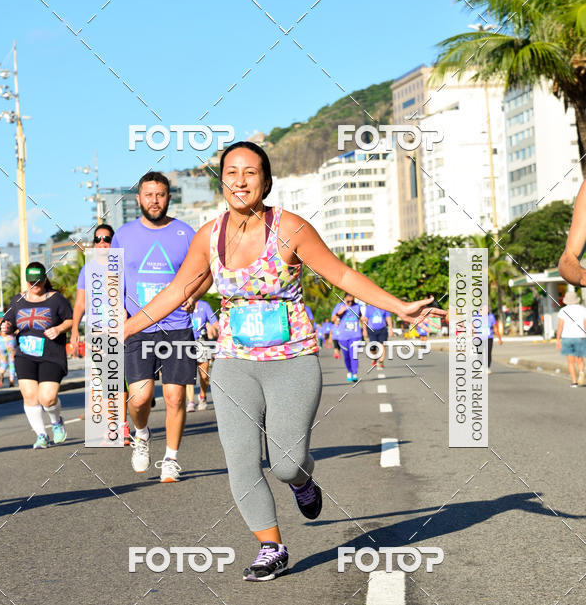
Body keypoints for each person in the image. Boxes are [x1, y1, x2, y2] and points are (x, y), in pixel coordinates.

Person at [122, 141, 442, 582]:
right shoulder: (208, 237)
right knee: (241, 459)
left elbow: (343, 275)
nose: (239, 180)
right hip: (234, 362)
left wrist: (399, 307)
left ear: (266, 182)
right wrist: (123, 329)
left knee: (287, 461)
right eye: (231, 172)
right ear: (221, 182)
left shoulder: (290, 229)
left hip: (292, 359)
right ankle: (271, 546)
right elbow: (178, 291)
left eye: (250, 172)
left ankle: (302, 481)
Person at [113, 172, 197, 483]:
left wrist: (195, 296)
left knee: (175, 396)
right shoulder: (123, 234)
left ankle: (172, 458)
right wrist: (119, 310)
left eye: (160, 194)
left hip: (177, 325)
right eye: (149, 195)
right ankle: (142, 433)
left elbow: (205, 272)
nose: (155, 200)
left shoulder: (185, 233)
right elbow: (111, 278)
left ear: (169, 197)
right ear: (138, 199)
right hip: (138, 328)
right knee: (138, 397)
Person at [71, 223, 131, 446]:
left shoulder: (122, 266)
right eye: (98, 239)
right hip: (98, 332)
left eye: (107, 238)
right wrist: (75, 328)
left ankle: (122, 422)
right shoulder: (87, 270)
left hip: (123, 329)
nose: (103, 242)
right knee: (109, 380)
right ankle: (117, 426)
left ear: (113, 241)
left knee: (125, 379)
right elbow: (80, 302)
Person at [1, 262, 73, 448]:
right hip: (25, 354)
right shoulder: (17, 300)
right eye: (31, 282)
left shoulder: (56, 299)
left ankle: (56, 422)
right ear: (26, 281)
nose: (35, 286)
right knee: (30, 395)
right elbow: (7, 324)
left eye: (38, 282)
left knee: (47, 397)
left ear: (44, 280)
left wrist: (58, 328)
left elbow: (70, 320)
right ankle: (41, 435)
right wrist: (6, 327)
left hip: (51, 353)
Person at [187, 298, 219, 411]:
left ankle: (202, 395)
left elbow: (215, 323)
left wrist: (212, 328)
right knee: (188, 375)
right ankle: (191, 402)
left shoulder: (204, 306)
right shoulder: (181, 305)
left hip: (202, 341)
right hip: (185, 341)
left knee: (204, 375)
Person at [555, 289, 586, 387]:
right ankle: (581, 371)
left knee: (570, 361)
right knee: (579, 358)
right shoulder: (583, 309)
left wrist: (558, 340)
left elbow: (560, 326)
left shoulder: (563, 310)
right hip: (580, 336)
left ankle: (574, 381)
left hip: (567, 337)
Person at [331, 294, 364, 382]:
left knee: (354, 355)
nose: (350, 300)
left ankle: (354, 373)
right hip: (343, 336)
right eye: (348, 298)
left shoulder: (357, 306)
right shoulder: (339, 306)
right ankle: (349, 371)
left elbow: (362, 318)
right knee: (346, 356)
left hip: (355, 335)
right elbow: (333, 319)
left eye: (351, 298)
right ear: (345, 297)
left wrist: (364, 327)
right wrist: (339, 313)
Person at [363, 304, 391, 370]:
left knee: (382, 345)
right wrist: (364, 330)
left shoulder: (384, 306)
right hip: (371, 329)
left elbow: (388, 318)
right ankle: (375, 358)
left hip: (382, 329)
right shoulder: (369, 308)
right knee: (372, 347)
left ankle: (381, 361)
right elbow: (365, 319)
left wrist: (391, 328)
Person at [0, 320, 17, 387]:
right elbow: (17, 331)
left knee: (3, 362)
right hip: (11, 341)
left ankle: (1, 373)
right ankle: (11, 381)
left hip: (1, 341)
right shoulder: (11, 320)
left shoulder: (0, 321)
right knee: (12, 363)